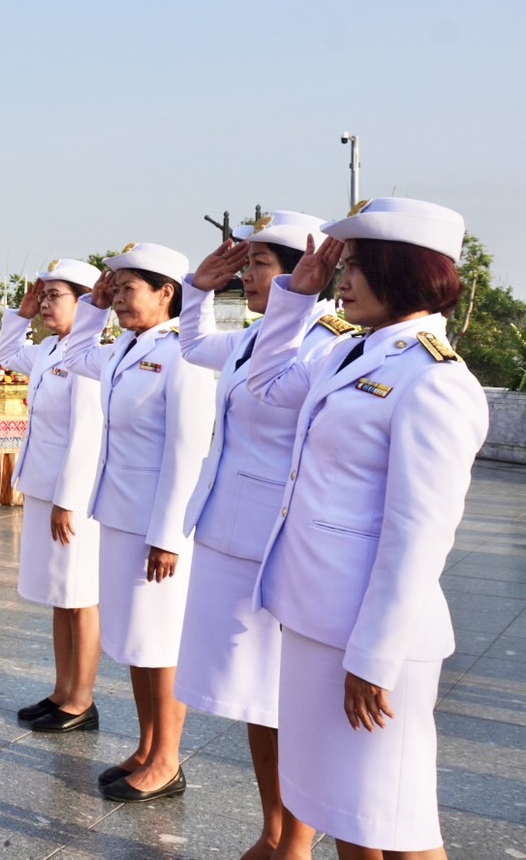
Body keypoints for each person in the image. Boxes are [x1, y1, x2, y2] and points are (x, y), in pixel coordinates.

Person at [247, 198, 488, 858]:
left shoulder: (433, 380)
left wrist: (373, 657)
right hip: (317, 622)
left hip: (371, 640)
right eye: (342, 266)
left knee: (395, 824)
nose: (341, 280)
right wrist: (294, 302)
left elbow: (417, 534)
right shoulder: (347, 354)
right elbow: (262, 388)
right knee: (346, 816)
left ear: (406, 272)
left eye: (356, 267)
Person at [175, 211, 347, 859]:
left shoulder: (326, 342)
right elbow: (193, 347)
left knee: (290, 697)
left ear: (306, 272)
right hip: (228, 533)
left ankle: (295, 841)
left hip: (281, 542)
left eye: (260, 265)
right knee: (255, 694)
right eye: (245, 265)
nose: (248, 276)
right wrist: (197, 289)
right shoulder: (254, 337)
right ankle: (272, 831)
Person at [59, 243, 215, 802]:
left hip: (157, 525)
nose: (119, 298)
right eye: (115, 288)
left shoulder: (184, 355)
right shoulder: (124, 346)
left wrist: (169, 536)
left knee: (162, 643)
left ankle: (168, 761)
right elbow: (73, 356)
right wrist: (94, 309)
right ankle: (148, 745)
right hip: (121, 516)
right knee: (135, 640)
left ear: (166, 293)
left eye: (128, 289)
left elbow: (187, 452)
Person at [0, 259, 106, 734]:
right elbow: (5, 355)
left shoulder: (90, 357)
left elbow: (87, 435)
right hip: (45, 486)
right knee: (60, 594)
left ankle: (82, 699)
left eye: (54, 295)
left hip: (71, 496)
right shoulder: (47, 349)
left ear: (84, 302)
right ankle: (62, 690)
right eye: (44, 295)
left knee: (81, 596)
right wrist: (18, 316)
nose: (44, 303)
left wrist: (69, 500)